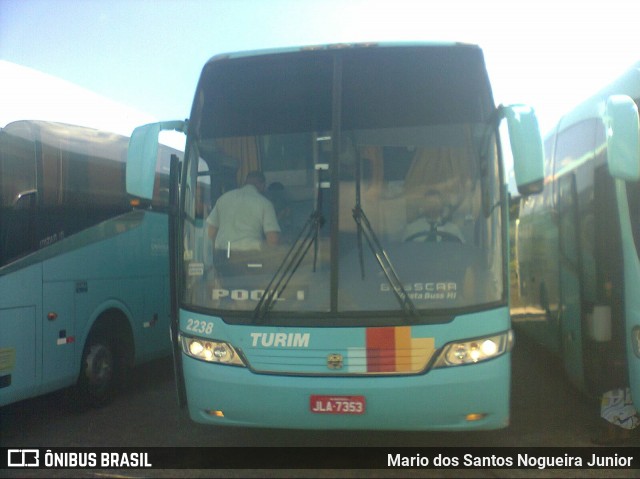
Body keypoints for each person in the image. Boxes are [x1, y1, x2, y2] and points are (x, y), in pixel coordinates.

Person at [207, 170, 281, 255]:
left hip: (223, 256)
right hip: (250, 257)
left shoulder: (223, 199)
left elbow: (210, 233)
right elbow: (273, 240)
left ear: (245, 182)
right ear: (263, 185)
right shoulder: (265, 203)